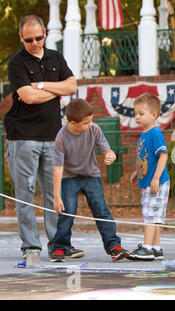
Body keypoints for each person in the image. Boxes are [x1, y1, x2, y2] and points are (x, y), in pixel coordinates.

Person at [5, 15, 77, 260]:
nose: (35, 43)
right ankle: (30, 245)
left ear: (45, 33)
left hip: (52, 136)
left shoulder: (56, 57)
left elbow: (71, 86)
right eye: (29, 39)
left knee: (53, 194)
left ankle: (57, 244)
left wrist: (40, 85)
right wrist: (49, 89)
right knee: (25, 192)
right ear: (21, 38)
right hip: (23, 137)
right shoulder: (16, 64)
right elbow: (28, 97)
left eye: (39, 37)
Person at [50, 99, 129, 262]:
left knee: (101, 209)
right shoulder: (61, 137)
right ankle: (59, 247)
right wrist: (56, 197)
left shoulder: (94, 129)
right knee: (67, 210)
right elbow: (57, 168)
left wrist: (110, 156)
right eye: (86, 123)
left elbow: (108, 151)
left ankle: (114, 246)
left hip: (91, 175)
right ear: (73, 123)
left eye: (91, 120)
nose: (90, 125)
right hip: (69, 177)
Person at [129, 93, 170, 261]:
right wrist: (137, 172)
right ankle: (156, 247)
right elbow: (145, 158)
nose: (137, 117)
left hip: (156, 182)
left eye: (141, 114)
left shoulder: (155, 133)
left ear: (154, 115)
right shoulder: (145, 133)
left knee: (150, 215)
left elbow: (163, 155)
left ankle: (146, 248)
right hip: (147, 181)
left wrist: (155, 178)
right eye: (136, 113)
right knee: (154, 214)